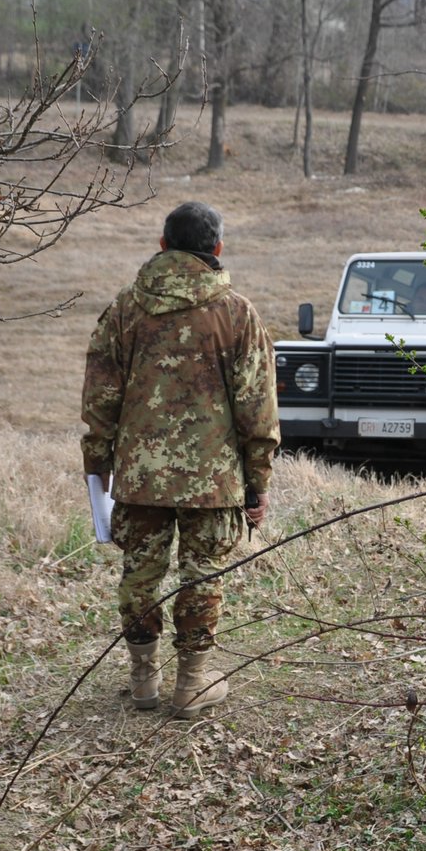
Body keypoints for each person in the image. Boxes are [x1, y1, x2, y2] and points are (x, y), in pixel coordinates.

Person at [81, 201, 279, 717]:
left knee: (139, 574)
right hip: (212, 480)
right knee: (202, 574)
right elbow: (257, 408)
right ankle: (191, 683)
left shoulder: (124, 309)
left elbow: (100, 397)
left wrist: (98, 466)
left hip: (140, 474)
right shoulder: (237, 312)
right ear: (216, 249)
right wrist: (256, 484)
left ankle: (144, 679)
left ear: (163, 244)